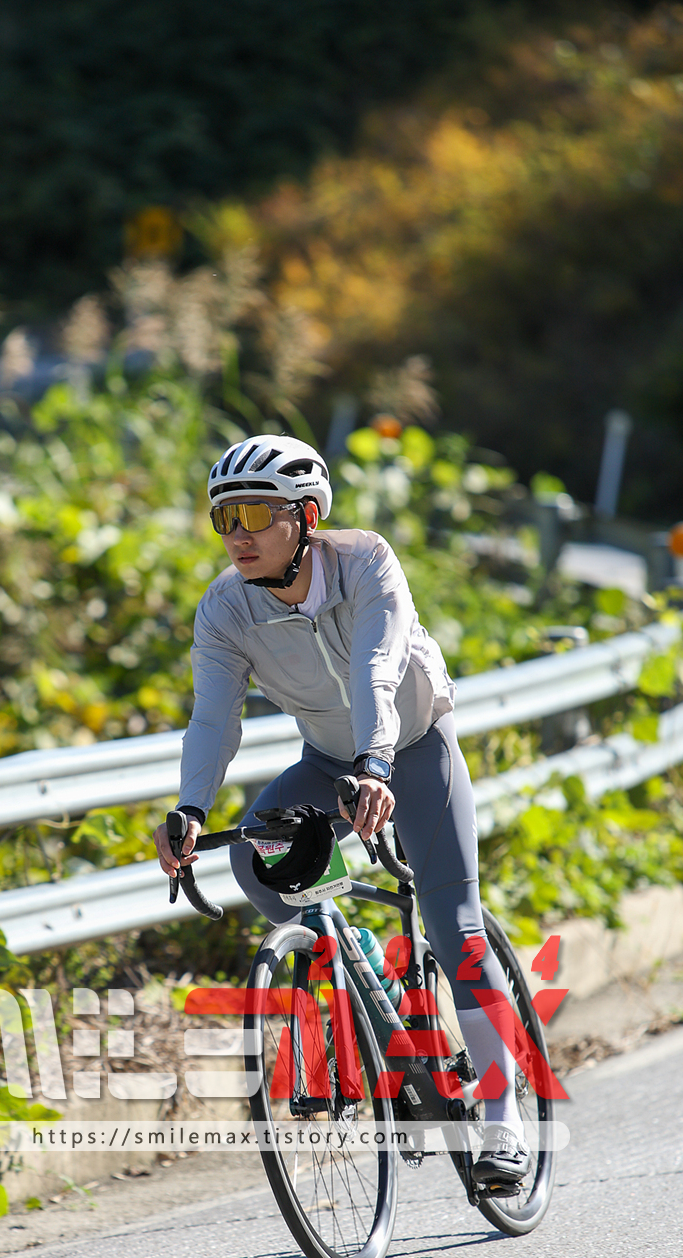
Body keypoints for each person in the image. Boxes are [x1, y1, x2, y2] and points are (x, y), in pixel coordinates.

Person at [154, 433, 532, 1185]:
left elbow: (376, 672)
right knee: (256, 858)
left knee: (455, 929)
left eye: (255, 515)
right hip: (327, 765)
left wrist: (377, 765)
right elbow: (213, 718)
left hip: (412, 748)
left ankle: (503, 1123)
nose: (237, 535)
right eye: (224, 519)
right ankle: (367, 975)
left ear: (306, 516)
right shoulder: (225, 608)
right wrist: (190, 807)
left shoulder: (366, 562)